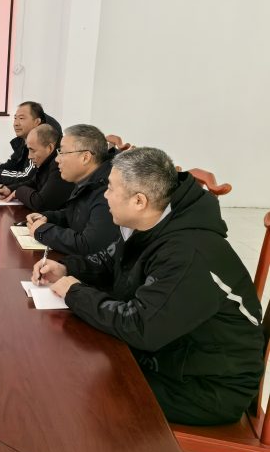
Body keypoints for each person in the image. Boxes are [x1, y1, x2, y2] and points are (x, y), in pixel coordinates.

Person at [32, 147, 265, 425]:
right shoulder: (152, 222)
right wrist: (67, 268)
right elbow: (110, 262)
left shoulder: (188, 253)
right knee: (70, 360)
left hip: (206, 385)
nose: (105, 196)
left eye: (110, 188)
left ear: (139, 200)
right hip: (169, 352)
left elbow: (140, 326)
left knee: (76, 388)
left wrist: (76, 293)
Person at [25, 124, 117, 255]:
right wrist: (47, 217)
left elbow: (89, 245)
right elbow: (76, 215)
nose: (57, 159)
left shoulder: (108, 190)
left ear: (85, 157)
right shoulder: (87, 180)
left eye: (62, 152)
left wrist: (43, 231)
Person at [0, 101, 61, 186]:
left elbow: (28, 177)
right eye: (15, 118)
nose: (16, 124)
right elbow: (15, 163)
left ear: (37, 122)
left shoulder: (42, 139)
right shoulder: (25, 137)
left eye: (21, 118)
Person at [0, 124, 73, 211]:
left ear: (49, 148)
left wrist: (18, 192)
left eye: (33, 150)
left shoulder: (59, 165)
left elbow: (41, 203)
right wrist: (9, 189)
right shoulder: (47, 160)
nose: (29, 156)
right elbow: (34, 182)